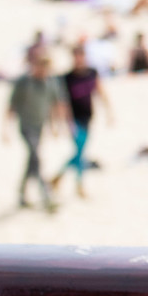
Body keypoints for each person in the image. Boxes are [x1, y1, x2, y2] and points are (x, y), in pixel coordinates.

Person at [4, 50, 65, 212]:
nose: (42, 70)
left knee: (32, 161)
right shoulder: (24, 82)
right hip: (26, 127)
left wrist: (54, 126)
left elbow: (54, 105)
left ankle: (21, 194)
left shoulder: (51, 83)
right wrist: (6, 129)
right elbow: (11, 106)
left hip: (39, 127)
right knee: (36, 158)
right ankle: (46, 196)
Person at [50, 42, 112, 200]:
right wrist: (61, 123)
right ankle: (79, 185)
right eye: (76, 56)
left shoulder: (92, 73)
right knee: (80, 152)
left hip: (88, 117)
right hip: (74, 119)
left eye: (81, 56)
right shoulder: (67, 78)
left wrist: (109, 112)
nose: (78, 59)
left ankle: (58, 177)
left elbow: (100, 91)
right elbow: (62, 102)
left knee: (80, 152)